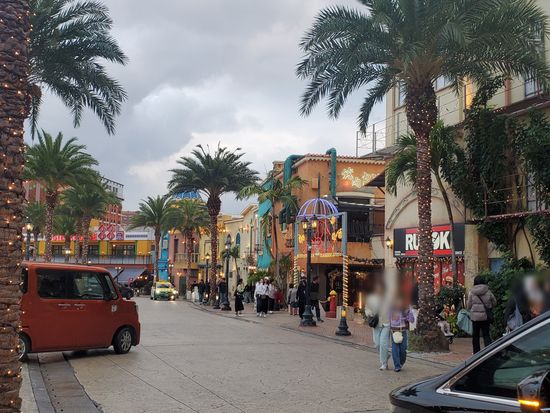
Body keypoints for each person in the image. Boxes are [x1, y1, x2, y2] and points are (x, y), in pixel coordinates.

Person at [467, 275, 497, 354]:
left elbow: (468, 305)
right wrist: (489, 306)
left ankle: (476, 353)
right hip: (485, 317)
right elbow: (494, 302)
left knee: (475, 336)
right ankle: (489, 352)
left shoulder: (471, 292)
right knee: (486, 335)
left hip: (475, 318)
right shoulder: (488, 291)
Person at [365, 281, 390, 370]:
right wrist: (370, 313)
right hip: (376, 324)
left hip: (386, 323)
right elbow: (367, 308)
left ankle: (384, 364)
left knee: (383, 344)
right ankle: (386, 355)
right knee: (377, 344)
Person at [390, 300, 415, 372]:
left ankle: (401, 362)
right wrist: (402, 317)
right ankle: (397, 366)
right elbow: (393, 320)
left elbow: (412, 319)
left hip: (403, 330)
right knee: (395, 348)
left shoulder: (407, 307)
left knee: (403, 348)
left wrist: (407, 314)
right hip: (395, 330)